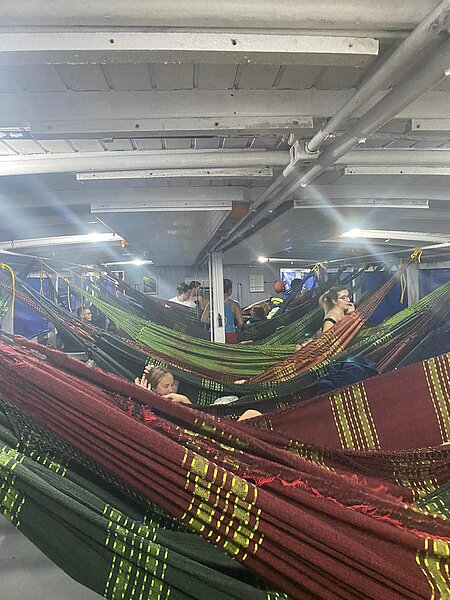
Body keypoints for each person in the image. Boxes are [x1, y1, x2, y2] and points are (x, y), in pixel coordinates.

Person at [135, 365, 261, 420]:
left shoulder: (174, 398)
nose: (170, 389)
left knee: (251, 412)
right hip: (208, 432)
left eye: (172, 384)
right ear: (153, 389)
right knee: (251, 414)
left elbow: (200, 418)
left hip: (209, 420)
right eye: (166, 386)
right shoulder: (155, 408)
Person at [201, 278, 243, 343]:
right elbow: (241, 322)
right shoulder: (234, 305)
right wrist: (237, 329)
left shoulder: (211, 303)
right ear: (229, 290)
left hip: (214, 334)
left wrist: (215, 322)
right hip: (230, 334)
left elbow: (203, 319)